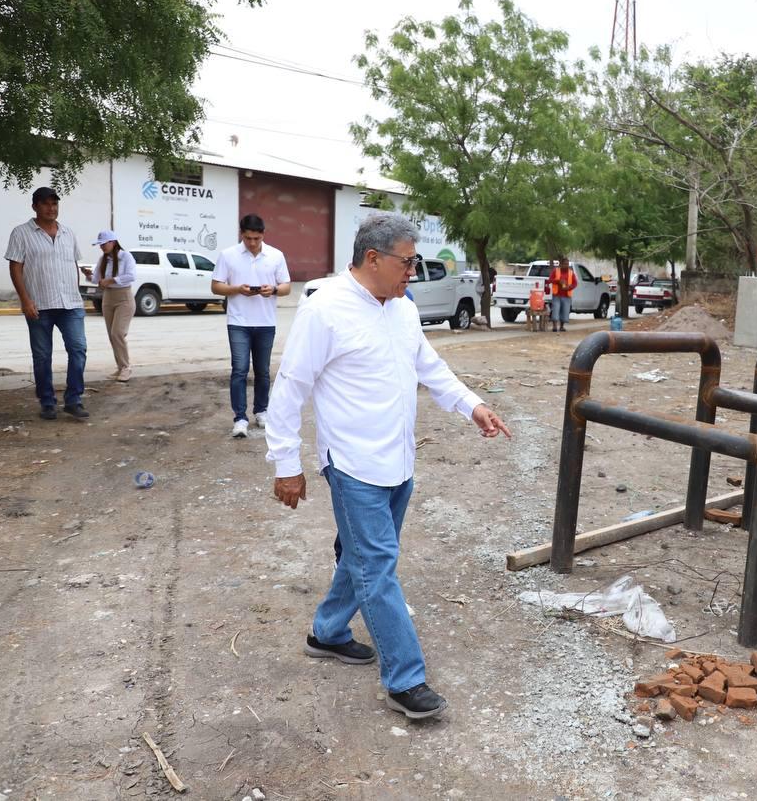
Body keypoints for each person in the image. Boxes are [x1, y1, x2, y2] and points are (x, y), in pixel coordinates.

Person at [267, 212, 511, 720]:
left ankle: (328, 633)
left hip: (398, 461)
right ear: (373, 259)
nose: (413, 272)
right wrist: (286, 463)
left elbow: (429, 367)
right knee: (377, 567)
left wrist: (472, 406)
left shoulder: (401, 308)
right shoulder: (326, 309)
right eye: (408, 261)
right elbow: (290, 388)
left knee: (364, 558)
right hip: (353, 465)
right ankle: (406, 680)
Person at [5, 186, 90, 420]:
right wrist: (25, 300)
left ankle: (74, 399)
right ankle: (47, 402)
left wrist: (76, 292)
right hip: (39, 305)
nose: (51, 208)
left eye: (54, 203)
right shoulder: (21, 233)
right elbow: (15, 267)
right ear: (34, 206)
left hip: (70, 305)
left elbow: (72, 265)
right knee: (42, 356)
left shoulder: (68, 233)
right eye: (45, 203)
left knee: (78, 349)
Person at [210, 214, 290, 438]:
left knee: (263, 371)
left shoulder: (276, 255)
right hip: (238, 322)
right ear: (241, 234)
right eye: (248, 238)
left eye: (256, 238)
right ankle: (240, 418)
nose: (252, 242)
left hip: (266, 322)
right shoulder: (228, 255)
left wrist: (272, 290)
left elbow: (286, 287)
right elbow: (216, 287)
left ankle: (261, 411)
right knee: (239, 370)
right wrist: (237, 289)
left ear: (263, 234)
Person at [84, 231, 137, 382]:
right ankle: (120, 367)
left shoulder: (126, 256)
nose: (102, 247)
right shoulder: (103, 259)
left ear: (113, 242)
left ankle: (126, 367)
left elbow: (132, 276)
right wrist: (88, 275)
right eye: (100, 244)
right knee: (111, 335)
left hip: (124, 298)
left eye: (104, 243)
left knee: (117, 333)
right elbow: (96, 280)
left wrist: (112, 280)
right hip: (108, 298)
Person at [548, 256, 577, 332]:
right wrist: (558, 281)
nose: (566, 265)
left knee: (565, 311)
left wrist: (569, 287)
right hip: (557, 295)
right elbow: (550, 280)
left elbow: (575, 283)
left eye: (567, 264)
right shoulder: (555, 271)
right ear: (560, 264)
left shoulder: (571, 273)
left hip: (566, 296)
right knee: (556, 310)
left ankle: (562, 326)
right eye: (564, 264)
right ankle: (554, 327)